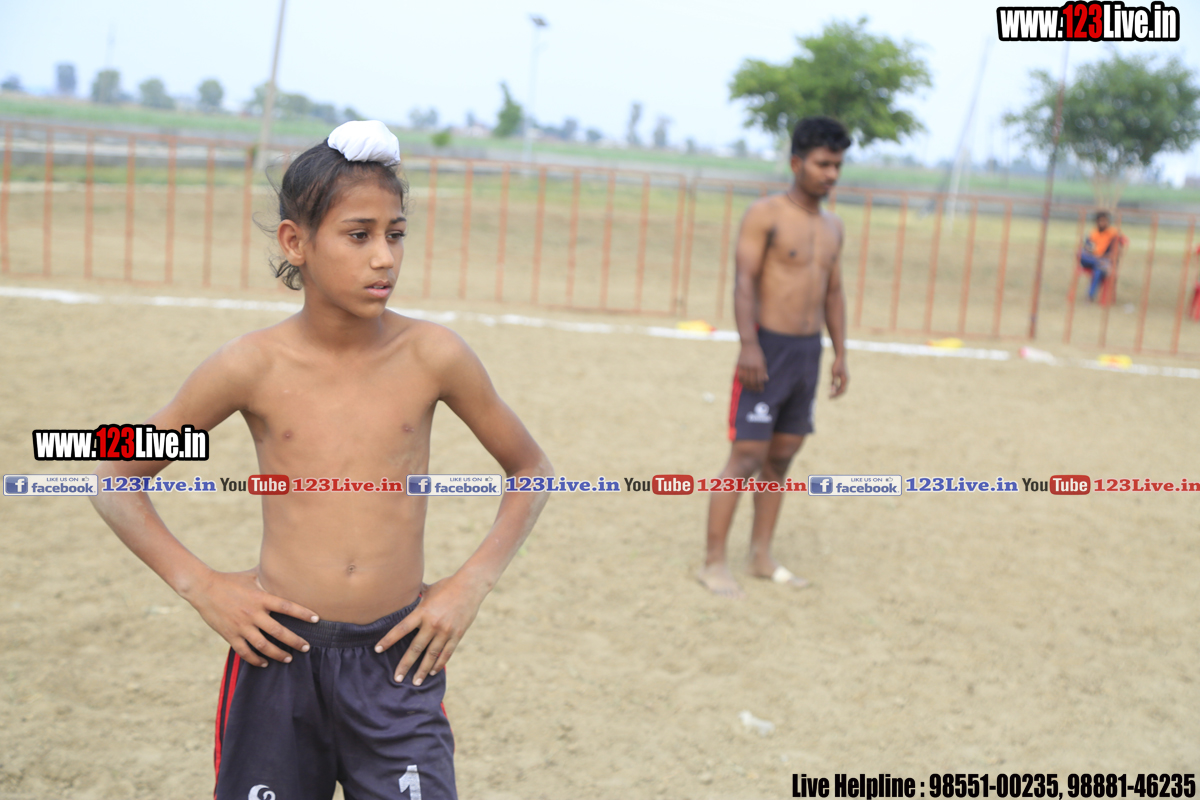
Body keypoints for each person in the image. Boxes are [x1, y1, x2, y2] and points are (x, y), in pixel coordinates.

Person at [90, 121, 552, 799]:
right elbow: (113, 477)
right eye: (358, 235)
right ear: (295, 242)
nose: (384, 258)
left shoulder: (434, 356)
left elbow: (532, 471)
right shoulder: (250, 365)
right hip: (278, 658)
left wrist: (469, 585)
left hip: (398, 663)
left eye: (395, 234)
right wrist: (202, 585)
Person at [696, 116, 851, 599]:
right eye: (823, 164)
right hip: (767, 350)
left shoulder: (834, 227)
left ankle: (761, 555)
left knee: (781, 458)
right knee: (746, 456)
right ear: (796, 162)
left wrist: (840, 353)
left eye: (837, 165)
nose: (831, 174)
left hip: (807, 355)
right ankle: (713, 562)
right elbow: (744, 282)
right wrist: (749, 344)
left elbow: (834, 292)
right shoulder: (765, 215)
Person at [1079, 210, 1122, 302]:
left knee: (1098, 271)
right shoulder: (1093, 233)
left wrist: (1105, 257)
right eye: (1100, 221)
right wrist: (1090, 251)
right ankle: (1100, 263)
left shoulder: (1113, 233)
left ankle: (1090, 296)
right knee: (1080, 254)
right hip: (1093, 260)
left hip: (1105, 259)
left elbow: (1116, 252)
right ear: (1097, 222)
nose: (1103, 223)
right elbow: (1087, 248)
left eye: (1105, 221)